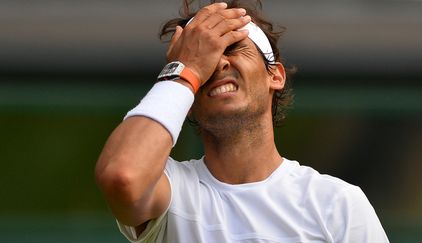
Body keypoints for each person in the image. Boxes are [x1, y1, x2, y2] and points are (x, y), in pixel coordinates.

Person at [95, 1, 389, 242]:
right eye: (204, 60)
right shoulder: (173, 190)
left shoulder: (337, 204)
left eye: (234, 48)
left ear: (276, 75)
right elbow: (123, 176)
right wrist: (184, 69)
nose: (218, 64)